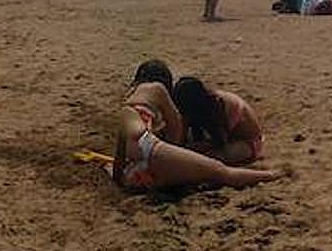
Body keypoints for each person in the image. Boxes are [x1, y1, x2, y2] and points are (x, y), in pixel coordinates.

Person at [115, 63, 277, 191]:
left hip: (141, 149)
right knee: (220, 171)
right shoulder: (158, 90)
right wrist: (176, 150)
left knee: (205, 165)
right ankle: (272, 175)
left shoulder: (127, 109)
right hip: (148, 146)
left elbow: (121, 150)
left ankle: (271, 175)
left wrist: (118, 177)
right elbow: (176, 123)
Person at [171, 76, 265, 165]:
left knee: (211, 157)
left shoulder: (224, 106)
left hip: (248, 144)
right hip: (226, 139)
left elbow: (220, 141)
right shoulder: (204, 106)